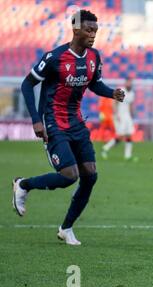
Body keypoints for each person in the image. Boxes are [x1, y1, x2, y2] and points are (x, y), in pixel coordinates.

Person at [13, 10, 125, 245]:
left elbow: (95, 84)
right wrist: (35, 119)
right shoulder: (55, 57)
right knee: (68, 175)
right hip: (54, 122)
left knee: (90, 175)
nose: (93, 35)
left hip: (76, 122)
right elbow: (27, 84)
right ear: (76, 30)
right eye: (88, 30)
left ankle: (66, 228)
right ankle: (23, 185)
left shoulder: (94, 56)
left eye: (95, 30)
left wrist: (111, 93)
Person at [101, 77, 137, 161]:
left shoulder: (132, 93)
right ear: (125, 83)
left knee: (129, 135)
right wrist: (116, 114)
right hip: (120, 116)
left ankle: (127, 156)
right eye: (128, 82)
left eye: (131, 82)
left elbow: (131, 105)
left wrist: (132, 114)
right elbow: (115, 103)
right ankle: (105, 148)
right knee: (121, 136)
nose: (129, 84)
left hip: (127, 117)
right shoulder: (121, 91)